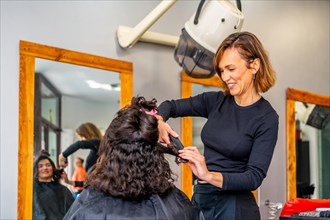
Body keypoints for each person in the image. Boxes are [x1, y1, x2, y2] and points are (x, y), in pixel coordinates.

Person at [156, 31, 279, 220]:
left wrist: (207, 175)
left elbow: (253, 177)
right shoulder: (215, 101)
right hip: (201, 198)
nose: (225, 77)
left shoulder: (266, 118)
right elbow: (170, 106)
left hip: (236, 208)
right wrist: (159, 122)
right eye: (222, 70)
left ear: (254, 65)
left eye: (231, 69)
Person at [63, 96, 205, 220]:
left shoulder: (88, 205)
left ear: (109, 152)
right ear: (154, 155)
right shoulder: (177, 204)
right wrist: (204, 180)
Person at [33, 150, 74, 220]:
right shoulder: (32, 189)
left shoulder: (63, 189)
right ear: (36, 170)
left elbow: (73, 211)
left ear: (53, 168)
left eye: (48, 165)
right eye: (40, 166)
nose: (45, 168)